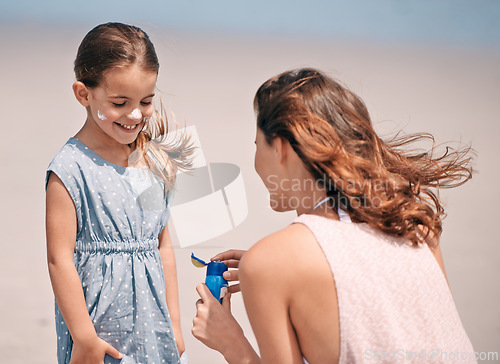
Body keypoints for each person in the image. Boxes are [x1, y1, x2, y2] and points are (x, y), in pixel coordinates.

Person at [192, 68, 477, 363]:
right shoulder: (414, 226)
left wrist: (230, 341)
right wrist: (283, 268)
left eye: (257, 145)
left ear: (279, 148)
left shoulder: (269, 262)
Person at [45, 22, 192, 363]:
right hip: (100, 333)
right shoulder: (69, 169)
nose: (135, 114)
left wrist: (174, 322)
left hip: (155, 328)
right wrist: (83, 338)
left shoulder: (152, 159)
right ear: (84, 94)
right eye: (119, 102)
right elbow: (59, 259)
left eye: (145, 100)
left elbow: (162, 245)